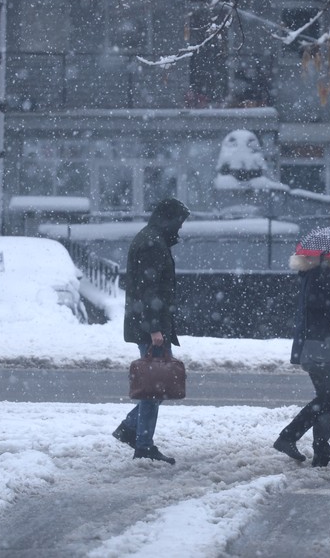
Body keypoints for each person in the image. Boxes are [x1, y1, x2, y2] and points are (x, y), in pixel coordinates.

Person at [112, 198, 190, 462]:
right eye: (179, 221)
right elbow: (149, 290)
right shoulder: (152, 243)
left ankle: (132, 430)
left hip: (148, 322)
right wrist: (155, 328)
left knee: (157, 385)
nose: (180, 227)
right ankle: (142, 443)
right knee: (155, 387)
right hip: (150, 326)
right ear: (169, 219)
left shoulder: (152, 238)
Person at [273, 253, 330, 467]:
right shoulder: (320, 273)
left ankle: (321, 450)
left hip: (322, 344)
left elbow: (324, 305)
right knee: (328, 397)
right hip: (318, 345)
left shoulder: (325, 273)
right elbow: (317, 304)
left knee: (327, 397)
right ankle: (290, 437)